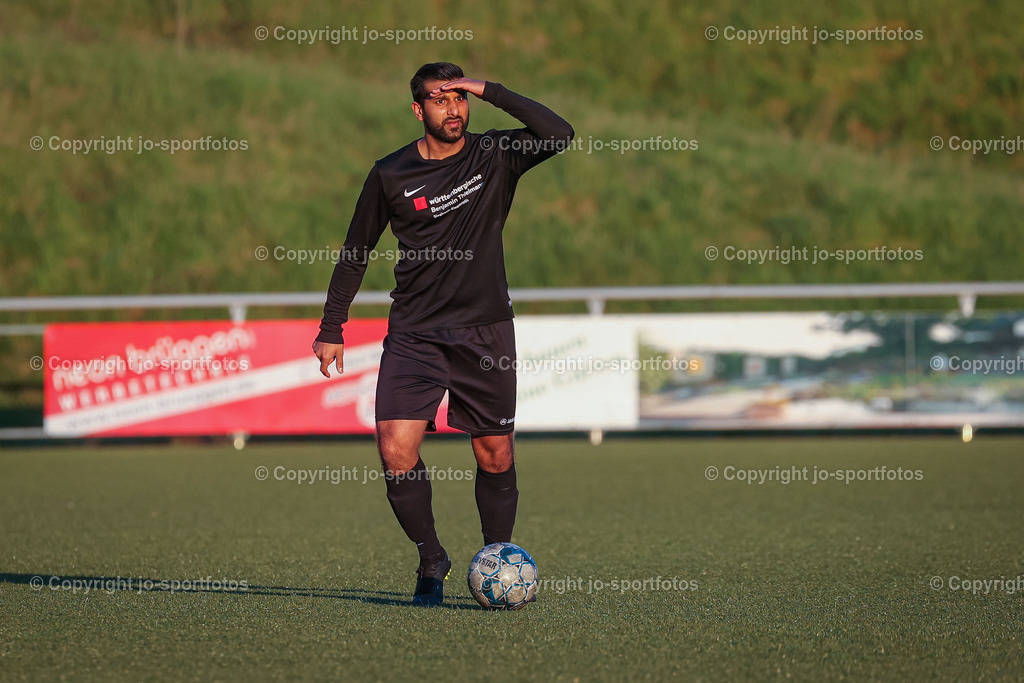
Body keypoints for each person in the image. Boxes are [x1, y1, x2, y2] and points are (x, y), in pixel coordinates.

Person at [312, 61, 574, 606]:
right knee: (395, 449)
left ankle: (497, 557)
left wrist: (491, 87)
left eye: (460, 99)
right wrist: (332, 325)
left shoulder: (495, 154)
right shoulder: (390, 173)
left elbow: (560, 134)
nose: (452, 109)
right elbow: (355, 250)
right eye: (439, 99)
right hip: (415, 332)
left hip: (485, 332)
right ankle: (431, 557)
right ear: (418, 108)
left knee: (494, 454)